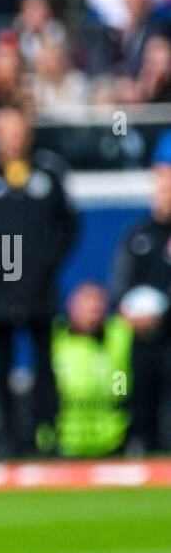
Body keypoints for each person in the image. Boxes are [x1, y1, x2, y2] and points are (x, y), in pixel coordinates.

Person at [0, 104, 78, 457]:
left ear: (29, 133)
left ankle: (46, 435)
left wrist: (49, 262)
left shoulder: (49, 170)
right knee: (1, 365)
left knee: (43, 364)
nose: (15, 138)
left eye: (20, 130)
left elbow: (71, 224)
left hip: (39, 288)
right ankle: (4, 440)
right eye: (8, 131)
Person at [111, 134, 171, 453]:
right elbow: (119, 283)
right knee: (141, 404)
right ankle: (140, 447)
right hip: (140, 338)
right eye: (161, 184)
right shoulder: (139, 235)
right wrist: (126, 309)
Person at [52, 282, 133, 457]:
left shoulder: (120, 336)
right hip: (64, 442)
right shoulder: (55, 339)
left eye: (98, 307)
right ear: (71, 307)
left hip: (115, 440)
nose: (94, 313)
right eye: (87, 306)